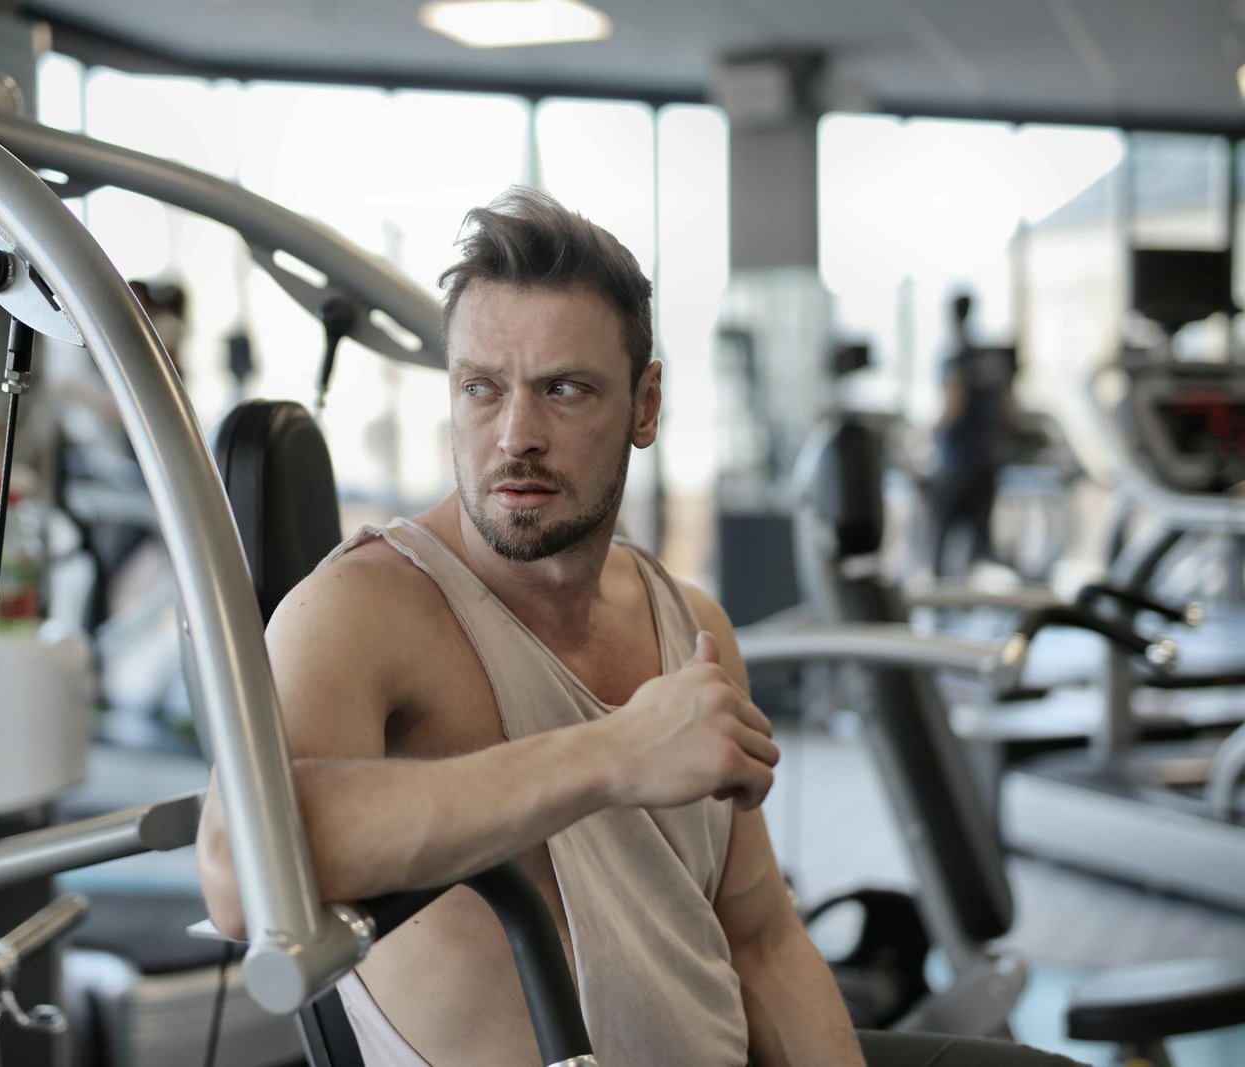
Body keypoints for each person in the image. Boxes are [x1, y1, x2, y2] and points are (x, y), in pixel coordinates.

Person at [197, 190, 1083, 1066]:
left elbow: (765, 941)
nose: (516, 435)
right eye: (482, 388)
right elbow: (241, 871)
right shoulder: (362, 609)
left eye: (565, 390)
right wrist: (618, 753)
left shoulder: (689, 624)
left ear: (646, 406)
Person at [929, 292, 1017, 577]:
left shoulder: (956, 358)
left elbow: (954, 407)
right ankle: (979, 599)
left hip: (958, 461)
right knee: (981, 538)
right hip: (989, 458)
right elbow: (1007, 411)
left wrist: (927, 434)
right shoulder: (993, 358)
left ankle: (942, 604)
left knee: (940, 539)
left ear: (953, 315)